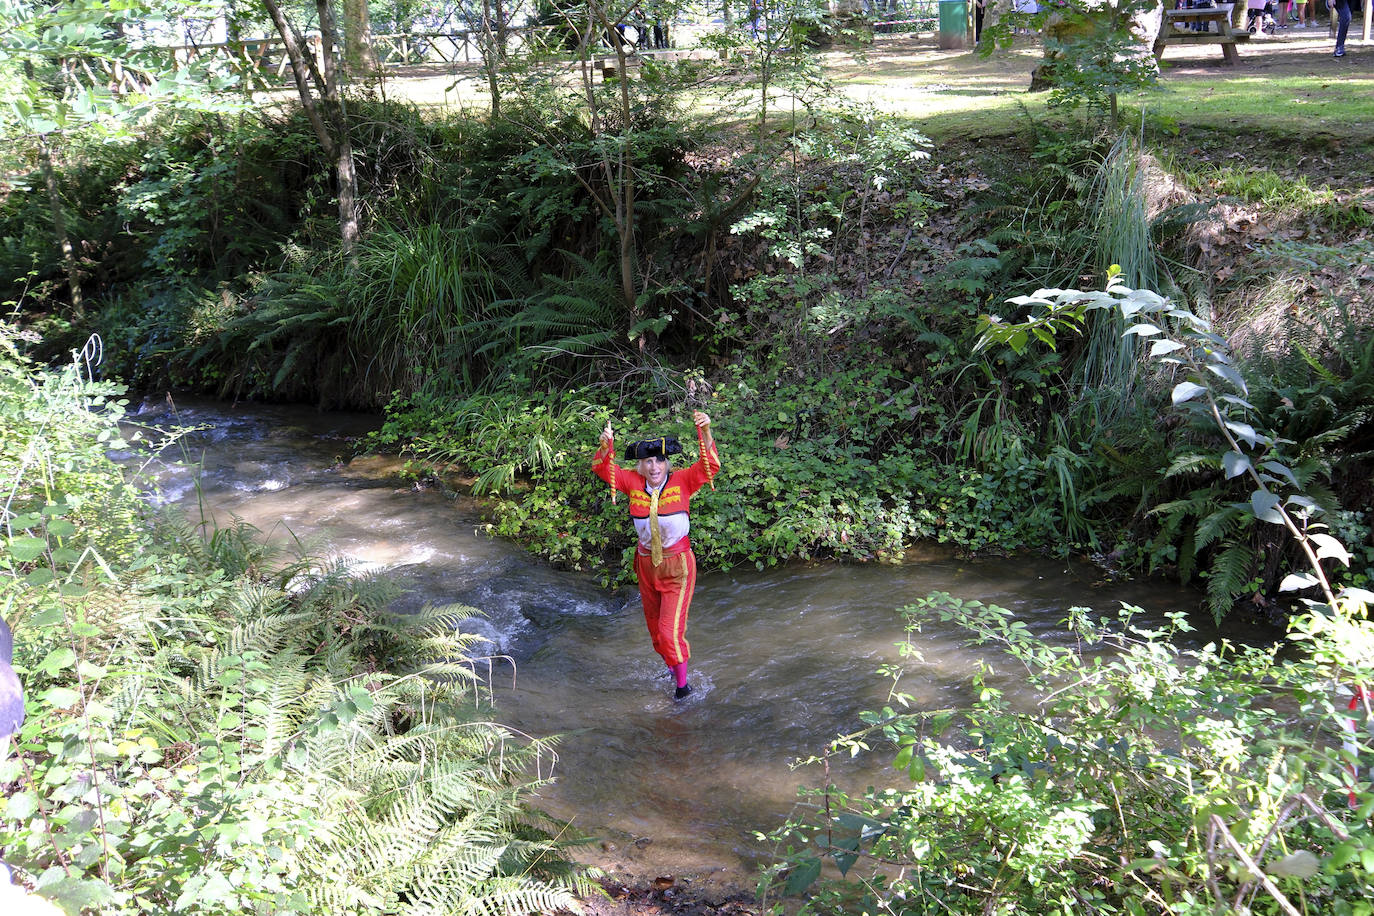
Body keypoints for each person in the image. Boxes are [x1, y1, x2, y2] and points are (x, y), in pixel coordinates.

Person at [593, 411, 720, 700]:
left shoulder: (683, 481)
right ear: (640, 465)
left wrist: (707, 431)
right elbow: (604, 470)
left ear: (667, 463)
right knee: (655, 634)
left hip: (677, 565)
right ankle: (673, 668)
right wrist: (604, 447)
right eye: (648, 461)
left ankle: (683, 689)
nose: (654, 467)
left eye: (659, 460)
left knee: (669, 632)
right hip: (646, 564)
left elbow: (709, 466)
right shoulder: (632, 483)